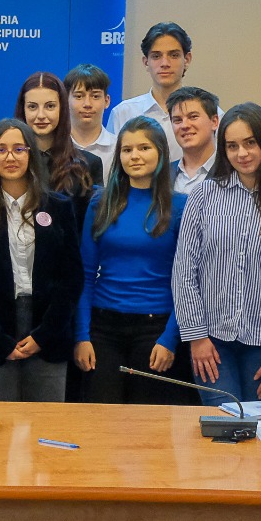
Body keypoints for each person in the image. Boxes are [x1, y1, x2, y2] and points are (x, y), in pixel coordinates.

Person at [173, 103, 261, 404]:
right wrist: (196, 337)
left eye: (250, 143)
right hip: (211, 340)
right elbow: (184, 274)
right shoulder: (203, 197)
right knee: (224, 421)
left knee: (258, 424)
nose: (242, 154)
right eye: (232, 146)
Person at [0, 118, 83, 402]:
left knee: (47, 423)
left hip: (48, 331)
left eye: (19, 149)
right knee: (0, 424)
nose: (10, 157)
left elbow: (71, 279)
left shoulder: (59, 207)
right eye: (1, 150)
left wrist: (44, 335)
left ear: (31, 154)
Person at [74, 117, 188, 405]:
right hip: (103, 328)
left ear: (161, 152)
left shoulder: (180, 206)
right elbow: (84, 274)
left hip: (155, 329)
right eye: (127, 150)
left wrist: (170, 338)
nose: (134, 156)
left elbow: (187, 281)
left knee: (146, 423)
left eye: (144, 148)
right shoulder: (101, 203)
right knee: (101, 419)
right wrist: (81, 336)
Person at [16, 71, 101, 224]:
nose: (41, 115)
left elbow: (91, 226)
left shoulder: (88, 164)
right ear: (23, 110)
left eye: (50, 106)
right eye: (32, 107)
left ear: (62, 109)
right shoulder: (9, 163)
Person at [107, 22, 193, 156]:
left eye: (174, 55)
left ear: (187, 60)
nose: (165, 63)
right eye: (156, 56)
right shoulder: (123, 113)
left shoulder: (208, 113)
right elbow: (113, 164)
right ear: (146, 62)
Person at [167, 85, 221, 194]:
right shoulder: (162, 175)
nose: (185, 125)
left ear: (214, 122)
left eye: (193, 117)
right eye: (177, 120)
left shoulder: (231, 172)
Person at [65, 64, 117, 174]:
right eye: (79, 96)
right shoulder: (54, 146)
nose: (87, 104)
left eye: (95, 96)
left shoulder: (118, 148)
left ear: (107, 101)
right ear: (65, 100)